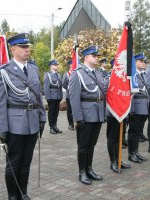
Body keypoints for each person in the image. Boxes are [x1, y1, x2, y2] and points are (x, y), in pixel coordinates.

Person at [0, 33, 46, 200]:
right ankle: (12, 196)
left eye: (28, 46)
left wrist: (42, 118)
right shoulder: (3, 72)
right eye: (23, 47)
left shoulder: (33, 68)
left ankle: (23, 193)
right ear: (12, 49)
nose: (27, 50)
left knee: (26, 162)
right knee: (14, 163)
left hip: (32, 122)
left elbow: (38, 96)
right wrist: (2, 131)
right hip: (15, 124)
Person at [69, 45, 104, 185]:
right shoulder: (77, 73)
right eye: (94, 56)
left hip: (97, 113)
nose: (97, 58)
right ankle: (82, 172)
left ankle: (89, 169)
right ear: (86, 57)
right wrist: (78, 118)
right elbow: (74, 98)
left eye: (97, 56)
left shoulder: (99, 73)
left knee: (92, 144)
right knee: (83, 145)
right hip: (85, 114)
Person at [127, 52, 148, 163]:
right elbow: (130, 94)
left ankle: (136, 152)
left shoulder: (143, 74)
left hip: (144, 107)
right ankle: (131, 154)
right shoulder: (132, 75)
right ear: (135, 62)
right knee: (133, 132)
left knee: (138, 131)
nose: (144, 63)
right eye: (141, 61)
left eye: (144, 61)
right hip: (136, 108)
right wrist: (131, 110)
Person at [43, 60, 63, 134]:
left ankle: (55, 126)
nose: (57, 66)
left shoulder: (59, 75)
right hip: (51, 97)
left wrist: (61, 96)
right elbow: (46, 87)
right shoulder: (47, 75)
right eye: (55, 65)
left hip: (58, 97)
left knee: (56, 112)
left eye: (57, 65)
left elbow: (60, 87)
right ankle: (51, 127)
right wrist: (48, 98)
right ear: (51, 66)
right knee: (51, 113)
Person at [62, 60, 74, 130]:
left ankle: (76, 123)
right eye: (72, 64)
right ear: (69, 65)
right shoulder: (67, 74)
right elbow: (63, 84)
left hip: (76, 95)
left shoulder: (77, 73)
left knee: (75, 109)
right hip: (69, 95)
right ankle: (70, 124)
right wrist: (68, 88)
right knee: (69, 110)